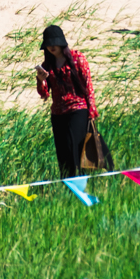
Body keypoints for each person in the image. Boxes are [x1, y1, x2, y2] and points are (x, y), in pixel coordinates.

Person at [35, 24, 98, 178]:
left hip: (78, 108)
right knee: (62, 151)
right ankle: (68, 182)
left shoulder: (78, 58)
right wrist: (40, 80)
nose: (51, 47)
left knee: (76, 147)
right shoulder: (47, 66)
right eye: (48, 44)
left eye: (54, 43)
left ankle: (82, 179)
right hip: (58, 112)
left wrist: (91, 110)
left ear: (61, 42)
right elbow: (44, 94)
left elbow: (88, 85)